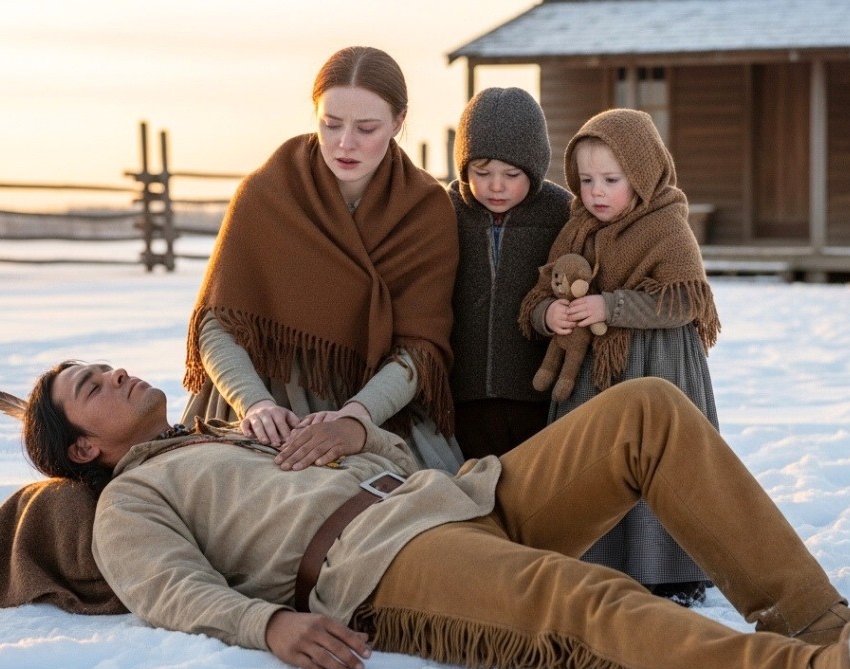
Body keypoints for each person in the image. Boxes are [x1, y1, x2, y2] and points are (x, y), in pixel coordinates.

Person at [19, 359, 850, 669]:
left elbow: (378, 448)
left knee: (646, 410)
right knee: (578, 596)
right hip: (383, 561)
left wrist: (352, 429)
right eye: (90, 385)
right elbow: (167, 591)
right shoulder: (129, 503)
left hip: (459, 494)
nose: (113, 370)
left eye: (100, 365)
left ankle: (823, 621)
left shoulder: (230, 430)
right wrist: (267, 627)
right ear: (89, 446)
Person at [182, 46, 463, 473]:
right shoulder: (266, 193)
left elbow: (420, 350)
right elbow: (216, 322)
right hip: (260, 401)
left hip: (373, 408)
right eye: (330, 125)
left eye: (367, 128)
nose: (344, 144)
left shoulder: (426, 210)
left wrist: (356, 418)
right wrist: (254, 403)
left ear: (399, 122)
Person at [520, 108, 722, 606]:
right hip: (591, 375)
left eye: (612, 179)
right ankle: (595, 560)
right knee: (595, 459)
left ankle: (672, 572)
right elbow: (542, 289)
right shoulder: (575, 230)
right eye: (586, 180)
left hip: (658, 363)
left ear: (643, 174)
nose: (596, 192)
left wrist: (612, 305)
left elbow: (685, 300)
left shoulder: (667, 227)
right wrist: (550, 315)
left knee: (660, 459)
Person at [447, 87, 572, 459]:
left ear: (534, 168)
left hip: (535, 392)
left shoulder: (560, 211)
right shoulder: (447, 210)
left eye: (511, 174)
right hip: (462, 392)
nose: (496, 185)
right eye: (480, 172)